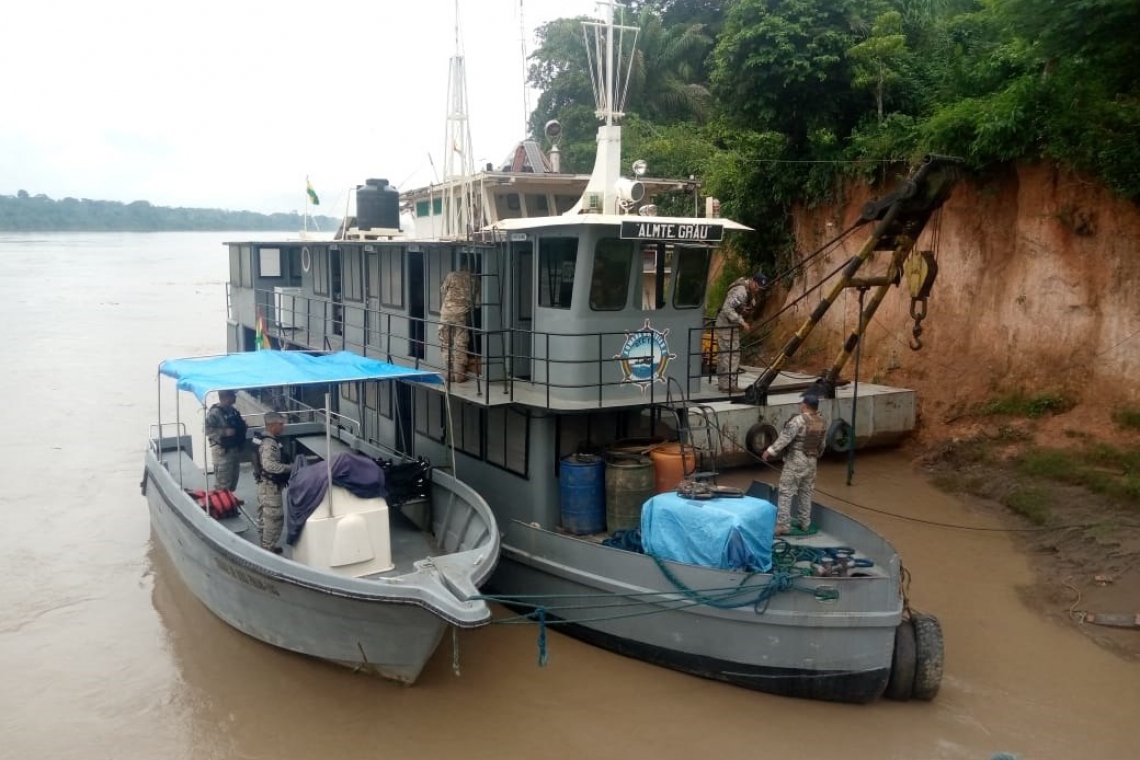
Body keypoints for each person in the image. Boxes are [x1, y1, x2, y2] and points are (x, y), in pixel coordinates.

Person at [761, 393, 827, 535]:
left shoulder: (798, 420)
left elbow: (785, 438)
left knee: (785, 491)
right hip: (812, 461)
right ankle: (804, 522)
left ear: (804, 405)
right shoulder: (821, 421)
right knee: (806, 492)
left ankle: (783, 525)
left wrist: (770, 451)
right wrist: (815, 456)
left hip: (796, 460)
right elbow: (822, 445)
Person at [715, 272, 768, 392]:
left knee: (727, 354)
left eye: (761, 288)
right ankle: (728, 386)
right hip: (726, 326)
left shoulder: (749, 292)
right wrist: (741, 322)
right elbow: (727, 308)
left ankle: (725, 384)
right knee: (731, 355)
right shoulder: (741, 291)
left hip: (731, 325)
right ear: (753, 281)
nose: (759, 289)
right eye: (758, 286)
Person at [255, 412, 292, 554]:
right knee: (274, 519)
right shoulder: (269, 443)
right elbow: (269, 465)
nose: (283, 427)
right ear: (272, 425)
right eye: (281, 424)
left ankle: (266, 545)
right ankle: (267, 549)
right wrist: (290, 468)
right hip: (270, 488)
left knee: (265, 518)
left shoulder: (268, 439)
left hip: (264, 486)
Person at [438, 260, 479, 383]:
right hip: (461, 315)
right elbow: (478, 303)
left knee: (446, 343)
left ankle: (449, 374)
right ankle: (459, 375)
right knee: (460, 344)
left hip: (445, 314)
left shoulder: (451, 275)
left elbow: (443, 290)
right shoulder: (475, 280)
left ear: (462, 267)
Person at [204, 389, 247, 491]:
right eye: (233, 395)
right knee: (223, 485)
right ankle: (222, 505)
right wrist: (223, 432)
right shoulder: (215, 413)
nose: (235, 397)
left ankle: (229, 502)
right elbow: (207, 430)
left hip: (234, 450)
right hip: (223, 453)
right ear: (226, 397)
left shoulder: (233, 411)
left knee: (233, 482)